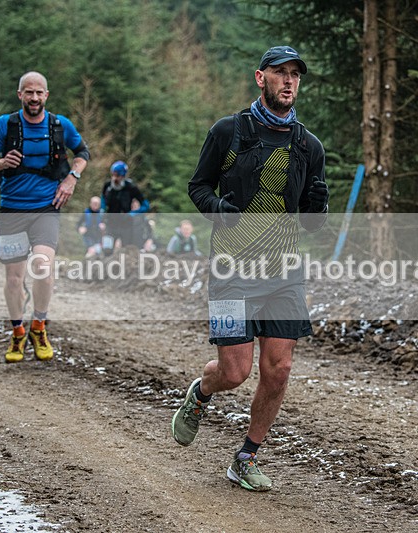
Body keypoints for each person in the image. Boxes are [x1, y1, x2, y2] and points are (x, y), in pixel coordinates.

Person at [171, 46, 329, 491]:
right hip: (231, 270)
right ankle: (201, 392)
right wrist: (218, 207)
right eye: (280, 73)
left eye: (296, 74)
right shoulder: (229, 131)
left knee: (278, 369)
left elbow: (314, 222)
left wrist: (319, 208)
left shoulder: (308, 145)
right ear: (260, 78)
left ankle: (246, 457)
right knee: (235, 372)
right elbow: (197, 186)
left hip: (284, 272)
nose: (289, 81)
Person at [0, 71, 89, 363]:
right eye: (29, 92)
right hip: (12, 208)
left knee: (43, 267)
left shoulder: (59, 125)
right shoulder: (6, 124)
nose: (34, 98)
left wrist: (72, 178)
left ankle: (39, 326)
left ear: (46, 96)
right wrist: (1, 162)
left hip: (46, 209)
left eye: (39, 93)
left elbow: (83, 152)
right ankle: (17, 332)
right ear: (20, 95)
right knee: (14, 279)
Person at [101, 161, 148, 252]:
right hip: (110, 222)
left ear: (123, 176)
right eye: (113, 175)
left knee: (126, 250)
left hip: (125, 223)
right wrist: (102, 209)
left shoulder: (131, 188)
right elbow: (103, 198)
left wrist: (132, 214)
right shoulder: (107, 186)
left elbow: (145, 205)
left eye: (117, 176)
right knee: (107, 249)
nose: (115, 178)